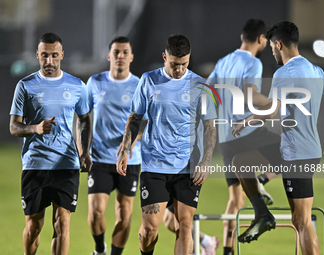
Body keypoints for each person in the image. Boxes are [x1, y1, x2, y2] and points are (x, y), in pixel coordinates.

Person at [231, 21, 324, 255]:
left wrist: (246, 120)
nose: (272, 51)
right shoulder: (314, 70)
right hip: (296, 149)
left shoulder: (284, 73)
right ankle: (262, 214)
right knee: (240, 162)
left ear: (278, 44)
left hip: (297, 155)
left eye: (272, 47)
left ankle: (262, 211)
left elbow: (271, 111)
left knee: (301, 222)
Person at [116, 34, 217, 255]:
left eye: (184, 64)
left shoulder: (201, 85)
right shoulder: (149, 80)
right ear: (164, 57)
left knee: (185, 226)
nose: (179, 69)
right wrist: (125, 148)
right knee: (150, 228)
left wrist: (206, 161)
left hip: (187, 166)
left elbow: (210, 126)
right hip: (155, 165)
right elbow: (135, 117)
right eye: (174, 64)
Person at [9, 33, 92, 255]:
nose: (49, 61)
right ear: (37, 55)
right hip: (35, 165)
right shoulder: (25, 86)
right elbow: (14, 127)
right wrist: (34, 128)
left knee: (62, 223)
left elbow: (85, 120)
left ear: (61, 55)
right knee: (34, 226)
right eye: (44, 55)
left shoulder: (77, 86)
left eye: (54, 56)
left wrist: (85, 153)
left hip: (66, 164)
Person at [207, 19, 280, 255]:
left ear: (242, 37)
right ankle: (262, 180)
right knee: (293, 149)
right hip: (247, 132)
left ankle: (228, 250)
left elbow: (208, 90)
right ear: (261, 39)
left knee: (235, 199)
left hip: (226, 139)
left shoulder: (223, 61)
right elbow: (251, 95)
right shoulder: (253, 63)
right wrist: (272, 102)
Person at [86, 36, 146, 255]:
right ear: (109, 55)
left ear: (131, 56)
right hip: (100, 157)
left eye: (124, 52)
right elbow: (83, 117)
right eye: (116, 52)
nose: (120, 56)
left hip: (130, 159)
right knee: (96, 211)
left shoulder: (139, 84)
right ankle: (100, 248)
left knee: (124, 214)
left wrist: (132, 141)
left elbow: (146, 121)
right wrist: (83, 150)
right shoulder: (95, 82)